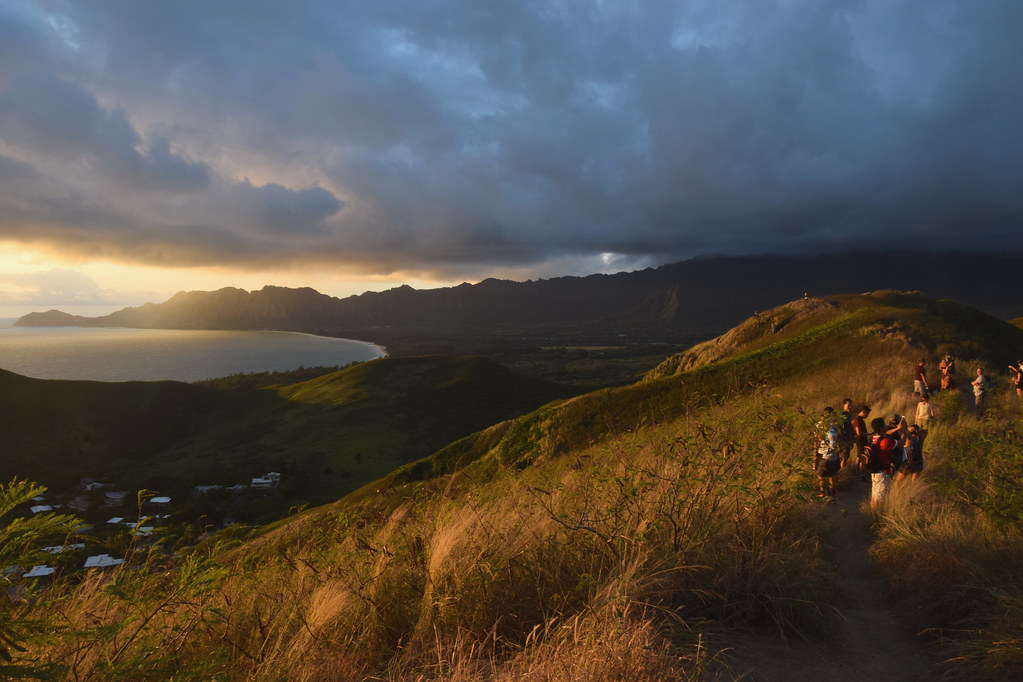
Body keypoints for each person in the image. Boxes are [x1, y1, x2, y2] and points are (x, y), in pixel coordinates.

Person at [866, 417, 897, 507]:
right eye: (884, 425)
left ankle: (872, 515)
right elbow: (901, 442)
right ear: (880, 428)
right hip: (883, 473)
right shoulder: (885, 441)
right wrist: (901, 429)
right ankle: (877, 517)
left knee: (875, 497)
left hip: (875, 471)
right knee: (881, 499)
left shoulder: (872, 439)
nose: (886, 426)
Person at [814, 407, 841, 501]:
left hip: (827, 454)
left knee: (821, 474)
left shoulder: (831, 429)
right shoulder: (831, 426)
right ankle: (831, 492)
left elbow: (832, 443)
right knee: (830, 475)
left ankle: (826, 493)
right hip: (827, 453)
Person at [851, 404, 871, 478]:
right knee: (861, 456)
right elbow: (858, 432)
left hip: (860, 440)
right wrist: (867, 434)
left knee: (860, 456)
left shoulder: (858, 419)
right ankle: (858, 472)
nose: (867, 415)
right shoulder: (857, 420)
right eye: (867, 413)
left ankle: (859, 472)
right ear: (863, 412)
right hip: (860, 440)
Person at [840, 398, 854, 469]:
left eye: (851, 405)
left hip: (848, 440)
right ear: (844, 405)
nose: (850, 407)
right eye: (848, 405)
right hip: (843, 441)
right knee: (843, 457)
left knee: (846, 457)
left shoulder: (849, 415)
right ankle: (841, 471)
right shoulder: (842, 415)